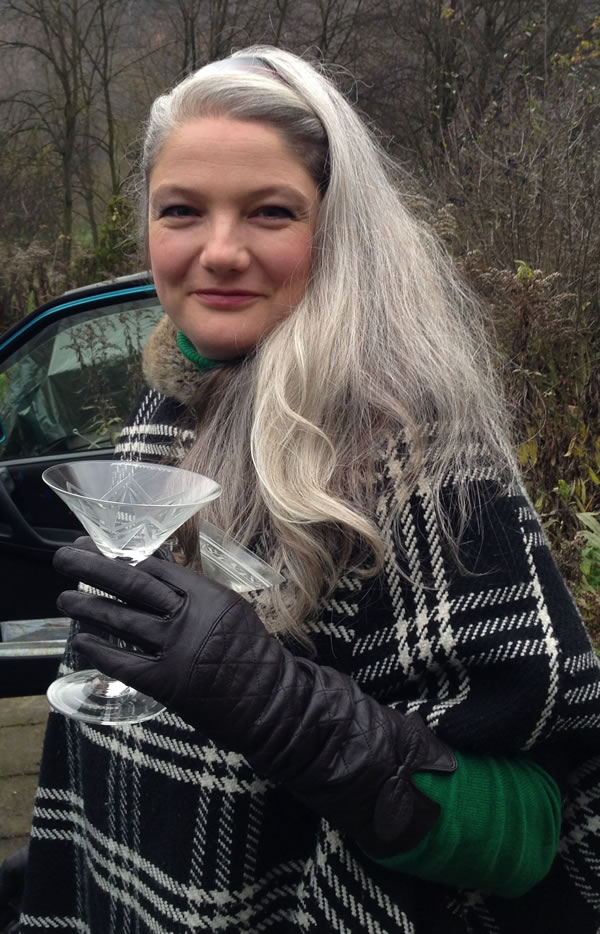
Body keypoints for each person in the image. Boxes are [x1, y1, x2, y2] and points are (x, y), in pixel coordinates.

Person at [17, 46, 600, 933]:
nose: (218, 251)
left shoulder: (418, 454)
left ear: (336, 228)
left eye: (270, 211)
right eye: (181, 210)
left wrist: (288, 712)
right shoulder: (174, 401)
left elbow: (529, 831)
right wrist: (62, 882)